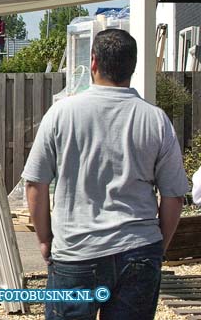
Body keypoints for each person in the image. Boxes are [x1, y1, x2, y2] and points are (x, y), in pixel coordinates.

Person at [21, 28, 187, 320]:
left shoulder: (61, 114)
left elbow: (35, 184)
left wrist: (45, 239)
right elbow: (174, 196)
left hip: (75, 251)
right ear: (132, 67)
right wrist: (158, 247)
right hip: (139, 250)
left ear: (93, 62)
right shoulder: (155, 119)